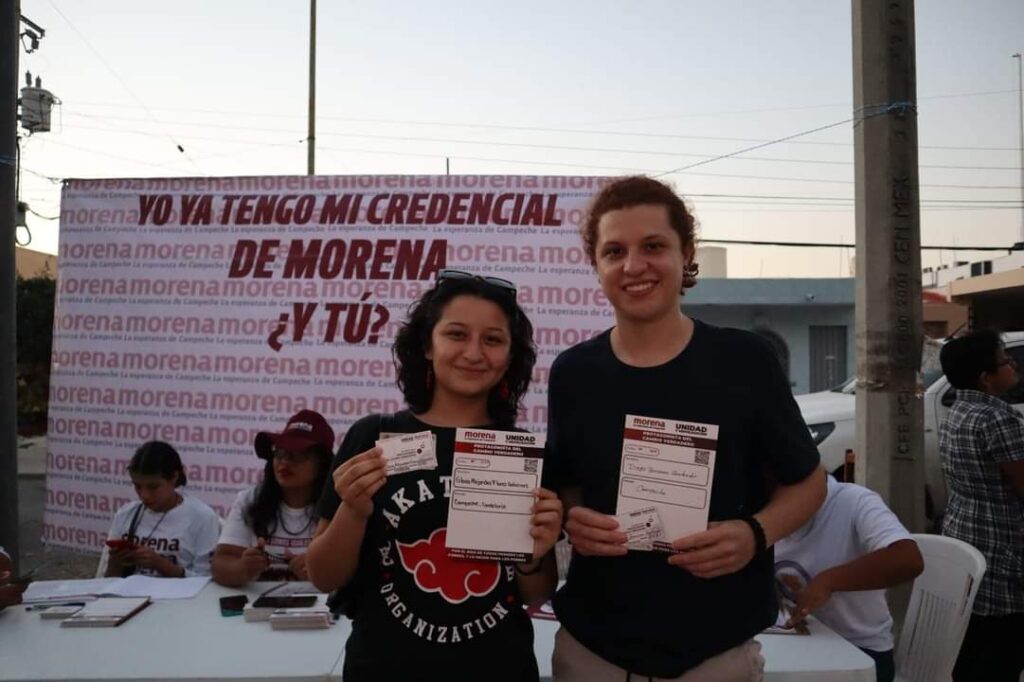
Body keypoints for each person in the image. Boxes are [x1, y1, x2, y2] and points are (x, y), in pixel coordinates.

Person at [545, 176, 826, 681]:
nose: (634, 266)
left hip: (714, 655)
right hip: (593, 652)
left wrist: (756, 533)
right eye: (614, 251)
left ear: (686, 253)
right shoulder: (573, 373)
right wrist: (573, 516)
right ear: (596, 264)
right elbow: (567, 483)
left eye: (653, 246)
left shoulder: (744, 361)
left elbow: (809, 482)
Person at [307, 271, 562, 682]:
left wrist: (533, 557)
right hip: (383, 669)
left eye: (493, 339)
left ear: (511, 355)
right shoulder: (373, 437)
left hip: (499, 669)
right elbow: (323, 577)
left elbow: (536, 593)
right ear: (427, 345)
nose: (474, 353)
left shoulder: (521, 453)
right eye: (456, 334)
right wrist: (352, 511)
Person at [774, 474, 924, 682]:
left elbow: (907, 559)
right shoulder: (767, 512)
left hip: (861, 652)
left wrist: (829, 581)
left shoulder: (854, 501)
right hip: (803, 643)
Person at [938, 329, 1024, 682]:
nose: (1013, 364)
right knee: (1001, 652)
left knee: (972, 649)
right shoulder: (996, 420)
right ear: (986, 378)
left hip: (967, 534)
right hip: (1002, 546)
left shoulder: (960, 410)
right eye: (1005, 360)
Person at [212, 410, 335, 586]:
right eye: (279, 452)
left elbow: (353, 573)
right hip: (257, 601)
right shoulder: (250, 499)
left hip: (319, 602)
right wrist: (242, 568)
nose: (285, 461)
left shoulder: (339, 505)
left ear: (322, 464)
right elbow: (220, 564)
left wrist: (321, 573)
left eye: (298, 455)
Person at [104, 441, 221, 578]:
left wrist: (163, 566)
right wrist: (115, 563)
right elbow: (107, 581)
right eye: (137, 486)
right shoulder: (126, 514)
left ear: (174, 477)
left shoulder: (202, 517)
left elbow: (206, 580)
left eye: (153, 487)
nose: (144, 495)